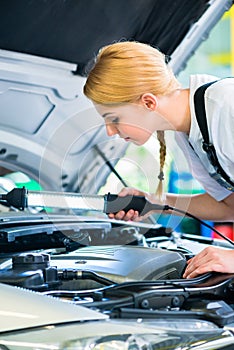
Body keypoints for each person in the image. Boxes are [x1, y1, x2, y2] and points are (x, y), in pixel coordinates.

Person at [83, 41, 234, 278]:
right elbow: (228, 206)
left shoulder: (226, 105)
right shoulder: (191, 131)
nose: (110, 131)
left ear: (148, 102)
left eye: (113, 118)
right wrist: (153, 202)